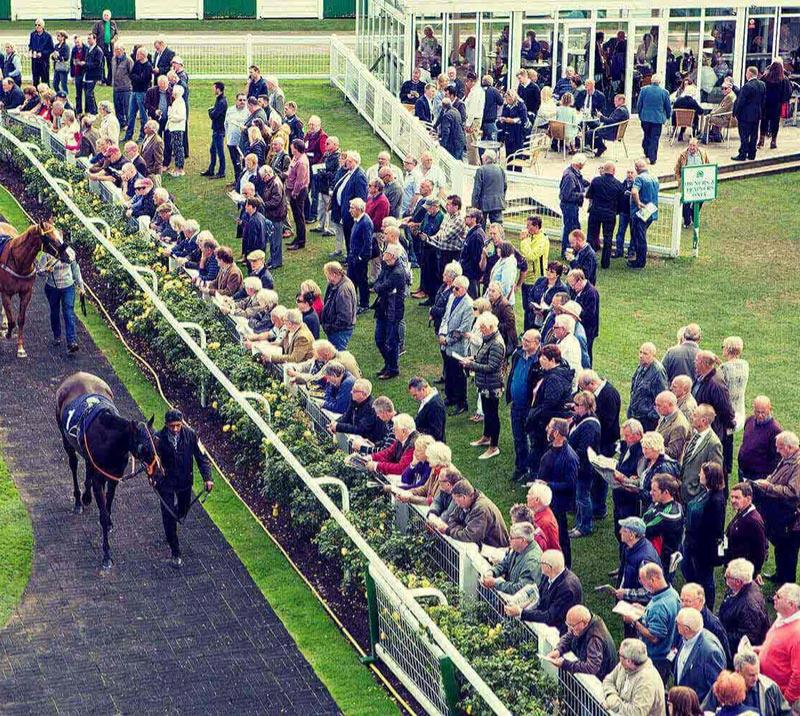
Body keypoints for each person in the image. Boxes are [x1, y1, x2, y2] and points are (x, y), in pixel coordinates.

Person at [153, 409, 213, 569]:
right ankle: (175, 552)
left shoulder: (191, 435)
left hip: (185, 482)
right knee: (169, 514)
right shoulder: (157, 439)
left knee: (182, 510)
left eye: (178, 426)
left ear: (182, 423)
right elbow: (151, 462)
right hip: (165, 483)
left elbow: (202, 458)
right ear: (166, 424)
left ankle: (172, 526)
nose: (175, 429)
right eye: (172, 426)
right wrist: (153, 478)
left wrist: (208, 478)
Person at [752, 431, 800, 585]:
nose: (777, 451)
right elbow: (778, 474)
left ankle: (786, 588)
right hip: (783, 515)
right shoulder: (788, 458)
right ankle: (779, 575)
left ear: (790, 447)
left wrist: (769, 487)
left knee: (789, 554)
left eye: (780, 448)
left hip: (793, 520)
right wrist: (769, 479)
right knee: (780, 548)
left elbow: (793, 491)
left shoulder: (797, 465)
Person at [624, 562, 680, 682]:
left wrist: (634, 622)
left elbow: (654, 637)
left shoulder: (659, 607)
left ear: (653, 580)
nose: (641, 583)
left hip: (656, 659)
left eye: (643, 581)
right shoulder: (671, 593)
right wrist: (643, 610)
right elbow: (660, 618)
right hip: (668, 653)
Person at [534, 418, 579, 567]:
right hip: (547, 501)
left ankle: (565, 566)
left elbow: (570, 485)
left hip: (558, 504)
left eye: (550, 427)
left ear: (557, 433)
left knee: (560, 537)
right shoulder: (551, 447)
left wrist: (548, 485)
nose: (547, 429)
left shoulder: (570, 457)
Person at [461, 313, 505, 460]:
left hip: (492, 385)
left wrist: (471, 365)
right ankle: (486, 437)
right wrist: (472, 358)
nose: (481, 330)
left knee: (492, 415)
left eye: (483, 327)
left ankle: (494, 446)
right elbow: (483, 357)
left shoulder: (496, 343)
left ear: (491, 327)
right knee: (487, 412)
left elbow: (492, 366)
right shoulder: (488, 340)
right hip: (485, 384)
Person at [505, 549, 582, 632]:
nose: (539, 564)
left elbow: (550, 617)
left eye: (541, 563)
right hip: (548, 623)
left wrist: (520, 612)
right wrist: (521, 604)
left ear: (549, 567)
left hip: (559, 632)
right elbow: (539, 595)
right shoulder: (548, 575)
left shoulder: (567, 590)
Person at [682, 462, 726, 607]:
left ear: (709, 477)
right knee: (689, 570)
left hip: (704, 548)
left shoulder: (716, 500)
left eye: (701, 473)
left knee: (706, 578)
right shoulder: (706, 491)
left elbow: (714, 530)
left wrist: (697, 545)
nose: (699, 475)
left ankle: (707, 606)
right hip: (692, 542)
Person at [702, 651, 792, 716]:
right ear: (738, 671)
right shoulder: (724, 686)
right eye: (751, 675)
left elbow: (785, 712)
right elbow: (705, 711)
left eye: (757, 673)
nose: (756, 678)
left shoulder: (769, 688)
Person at [35, 246, 84, 354]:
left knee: (68, 312)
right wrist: (46, 270)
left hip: (68, 287)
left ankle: (71, 342)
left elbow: (76, 269)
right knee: (54, 312)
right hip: (52, 288)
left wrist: (81, 286)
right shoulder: (47, 255)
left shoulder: (70, 252)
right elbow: (39, 271)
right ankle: (57, 335)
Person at [547, 605, 617, 679]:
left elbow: (592, 667)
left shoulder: (594, 639)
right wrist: (558, 650)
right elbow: (568, 637)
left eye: (572, 626)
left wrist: (565, 664)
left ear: (583, 623)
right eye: (568, 625)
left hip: (600, 681)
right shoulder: (587, 622)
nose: (569, 629)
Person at [506, 330, 541, 480]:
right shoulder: (518, 354)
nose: (524, 342)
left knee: (533, 440)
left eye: (528, 341)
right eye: (523, 339)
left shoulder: (540, 360)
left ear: (537, 343)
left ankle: (533, 472)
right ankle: (520, 467)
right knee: (518, 438)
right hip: (516, 405)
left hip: (530, 408)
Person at [433, 478, 509, 547]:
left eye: (456, 500)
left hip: (495, 549)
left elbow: (470, 536)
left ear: (463, 497)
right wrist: (461, 530)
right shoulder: (466, 502)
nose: (455, 503)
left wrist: (448, 531)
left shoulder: (480, 508)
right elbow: (452, 518)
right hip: (484, 545)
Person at [673, 607, 727, 702]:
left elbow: (716, 689)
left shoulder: (710, 652)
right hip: (683, 704)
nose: (676, 624)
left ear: (686, 629)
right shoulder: (686, 638)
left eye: (678, 623)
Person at [602, 639, 666, 716]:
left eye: (620, 655)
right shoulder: (623, 666)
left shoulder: (647, 681)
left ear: (629, 661)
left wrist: (614, 703)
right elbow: (608, 680)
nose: (619, 656)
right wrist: (611, 695)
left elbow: (636, 713)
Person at [569, 390, 602, 538]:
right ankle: (579, 523)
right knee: (579, 496)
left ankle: (585, 526)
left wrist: (568, 453)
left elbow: (584, 449)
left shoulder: (590, 425)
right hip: (579, 466)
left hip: (585, 467)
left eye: (577, 405)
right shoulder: (581, 418)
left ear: (586, 406)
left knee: (583, 497)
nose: (574, 407)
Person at [719, 558, 770, 649]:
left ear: (738, 582)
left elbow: (747, 637)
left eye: (727, 576)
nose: (724, 576)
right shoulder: (744, 586)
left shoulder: (748, 607)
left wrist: (722, 635)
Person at [373, 244, 406, 380]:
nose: (383, 254)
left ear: (392, 255)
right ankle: (388, 364)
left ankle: (392, 368)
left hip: (393, 311)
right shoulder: (386, 266)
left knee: (391, 342)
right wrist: (379, 287)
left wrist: (379, 287)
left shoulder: (398, 272)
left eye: (386, 252)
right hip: (383, 308)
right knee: (379, 339)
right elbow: (378, 283)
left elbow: (383, 286)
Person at [481, 521, 542, 594]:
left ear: (522, 540)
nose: (509, 539)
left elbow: (521, 589)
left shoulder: (532, 561)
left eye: (512, 537)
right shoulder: (517, 548)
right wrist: (492, 572)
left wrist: (495, 583)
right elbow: (504, 564)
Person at [680, 583, 732, 668]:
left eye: (688, 601)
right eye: (682, 600)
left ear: (700, 601)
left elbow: (725, 655)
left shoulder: (712, 625)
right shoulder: (685, 615)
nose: (684, 605)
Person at [680, 404, 724, 503]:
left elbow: (714, 474)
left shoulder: (713, 443)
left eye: (695, 415)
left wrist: (698, 492)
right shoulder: (696, 434)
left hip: (695, 495)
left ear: (703, 421)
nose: (691, 417)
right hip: (684, 492)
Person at [725, 481, 768, 578]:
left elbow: (760, 552)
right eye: (732, 497)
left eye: (737, 497)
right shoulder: (742, 511)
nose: (733, 500)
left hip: (743, 572)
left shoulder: (753, 521)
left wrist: (754, 573)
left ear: (748, 499)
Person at [693, 350, 736, 447]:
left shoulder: (715, 385)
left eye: (696, 361)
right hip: (702, 428)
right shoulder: (701, 377)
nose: (694, 363)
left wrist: (729, 426)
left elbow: (726, 409)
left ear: (704, 364)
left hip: (712, 430)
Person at [615, 517, 662, 604]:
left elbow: (649, 592)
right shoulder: (629, 546)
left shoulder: (645, 560)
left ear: (632, 535)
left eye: (624, 530)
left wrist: (626, 593)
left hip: (638, 607)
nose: (620, 531)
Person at [586, 162, 623, 269]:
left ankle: (590, 260)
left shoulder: (596, 181)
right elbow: (620, 202)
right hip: (610, 214)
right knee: (608, 238)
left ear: (604, 170)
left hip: (595, 212)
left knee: (592, 236)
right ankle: (605, 263)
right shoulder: (618, 184)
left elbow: (589, 195)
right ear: (614, 171)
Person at [738, 397, 783, 482]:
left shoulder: (775, 430)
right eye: (757, 412)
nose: (760, 415)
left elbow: (776, 458)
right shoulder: (749, 420)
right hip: (743, 471)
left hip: (758, 476)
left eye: (763, 412)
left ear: (770, 409)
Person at [627, 343, 667, 431]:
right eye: (640, 352)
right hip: (635, 415)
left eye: (645, 354)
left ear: (653, 356)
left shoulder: (658, 372)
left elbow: (662, 397)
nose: (641, 356)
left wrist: (651, 415)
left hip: (646, 421)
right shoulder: (642, 366)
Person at [628, 158, 660, 269]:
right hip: (651, 211)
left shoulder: (639, 178)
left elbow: (634, 191)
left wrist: (638, 203)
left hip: (641, 212)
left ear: (637, 168)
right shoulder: (654, 178)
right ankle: (640, 260)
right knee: (642, 235)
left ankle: (640, 262)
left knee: (639, 237)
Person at [732, 66, 766, 162]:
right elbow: (763, 101)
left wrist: (735, 113)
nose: (746, 75)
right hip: (756, 114)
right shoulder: (762, 85)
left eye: (747, 73)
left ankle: (742, 153)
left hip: (745, 115)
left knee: (744, 135)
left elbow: (740, 102)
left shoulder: (747, 86)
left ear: (750, 73)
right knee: (754, 134)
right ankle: (752, 153)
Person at [321, 262, 357, 350]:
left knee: (339, 356)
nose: (326, 277)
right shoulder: (336, 284)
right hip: (336, 329)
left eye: (327, 274)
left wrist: (331, 328)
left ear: (334, 274)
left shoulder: (343, 291)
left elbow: (345, 317)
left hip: (340, 331)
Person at [636, 74, 671, 164]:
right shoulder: (664, 92)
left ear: (651, 81)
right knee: (654, 138)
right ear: (659, 82)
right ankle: (653, 158)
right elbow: (667, 106)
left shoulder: (644, 90)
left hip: (645, 117)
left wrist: (639, 113)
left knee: (647, 134)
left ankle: (647, 151)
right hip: (657, 118)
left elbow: (639, 104)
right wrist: (668, 116)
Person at [559, 154, 588, 255]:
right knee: (570, 229)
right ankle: (566, 252)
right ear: (579, 164)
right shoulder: (569, 176)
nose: (584, 165)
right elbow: (567, 195)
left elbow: (580, 181)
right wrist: (582, 195)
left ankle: (569, 251)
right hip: (569, 206)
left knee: (572, 227)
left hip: (571, 206)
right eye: (583, 164)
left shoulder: (573, 173)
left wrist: (590, 184)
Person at [759, 61, 793, 150]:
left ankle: (761, 140)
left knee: (764, 121)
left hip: (766, 103)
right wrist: (782, 100)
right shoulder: (784, 79)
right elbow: (788, 92)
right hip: (776, 104)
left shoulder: (765, 78)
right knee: (775, 122)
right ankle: (773, 141)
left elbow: (760, 87)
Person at [124, 47, 152, 142]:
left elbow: (143, 80)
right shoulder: (137, 63)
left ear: (143, 55)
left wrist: (136, 77)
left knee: (143, 115)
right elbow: (131, 75)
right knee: (131, 114)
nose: (136, 55)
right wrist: (136, 77)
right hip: (134, 91)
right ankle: (128, 135)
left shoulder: (148, 66)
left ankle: (142, 135)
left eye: (138, 54)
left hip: (142, 93)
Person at [655, 390, 692, 461]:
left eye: (659, 405)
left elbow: (673, 453)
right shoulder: (666, 415)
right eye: (656, 405)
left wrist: (653, 447)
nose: (657, 408)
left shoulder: (679, 426)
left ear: (670, 405)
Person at [471, 151, 506, 223]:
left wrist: (474, 205)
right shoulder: (501, 169)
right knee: (497, 227)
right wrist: (501, 198)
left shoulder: (481, 170)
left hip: (483, 204)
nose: (482, 159)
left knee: (480, 227)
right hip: (497, 203)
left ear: (486, 158)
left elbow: (477, 190)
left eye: (483, 157)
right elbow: (505, 186)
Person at [408, 376, 446, 442]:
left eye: (415, 395)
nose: (414, 398)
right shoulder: (426, 399)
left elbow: (436, 433)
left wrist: (415, 431)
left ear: (423, 389)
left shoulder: (436, 406)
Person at [526, 482, 561, 552]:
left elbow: (552, 548)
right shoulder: (538, 511)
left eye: (529, 494)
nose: (527, 496)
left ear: (537, 500)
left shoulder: (546, 523)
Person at [166, 84, 187, 177]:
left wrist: (170, 116)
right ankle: (176, 168)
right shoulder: (176, 101)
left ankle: (180, 168)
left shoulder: (180, 102)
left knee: (178, 148)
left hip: (178, 128)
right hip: (174, 128)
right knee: (175, 147)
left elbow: (181, 117)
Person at [29, 19, 55, 87]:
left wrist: (42, 53)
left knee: (45, 81)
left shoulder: (47, 36)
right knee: (35, 81)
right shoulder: (33, 34)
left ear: (43, 26)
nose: (37, 26)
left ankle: (46, 96)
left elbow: (51, 48)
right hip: (34, 61)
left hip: (44, 62)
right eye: (35, 25)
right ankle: (35, 96)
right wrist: (30, 51)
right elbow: (31, 45)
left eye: (39, 25)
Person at [83, 33, 104, 115]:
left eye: (90, 38)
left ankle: (93, 111)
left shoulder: (98, 50)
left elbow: (97, 64)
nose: (88, 40)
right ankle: (93, 110)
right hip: (87, 74)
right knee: (89, 93)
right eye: (88, 38)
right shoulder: (88, 49)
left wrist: (85, 64)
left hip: (93, 75)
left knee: (89, 93)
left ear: (95, 39)